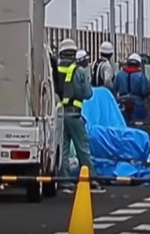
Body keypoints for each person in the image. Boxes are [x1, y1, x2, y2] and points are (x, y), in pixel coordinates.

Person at [53, 38, 97, 192]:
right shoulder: (78, 70)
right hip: (74, 114)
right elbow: (87, 93)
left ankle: (64, 182)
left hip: (58, 114)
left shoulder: (54, 69)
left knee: (63, 148)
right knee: (82, 148)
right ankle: (89, 180)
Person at [114, 53, 150, 127]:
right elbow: (145, 91)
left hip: (122, 104)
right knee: (138, 126)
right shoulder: (141, 76)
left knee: (122, 125)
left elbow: (114, 88)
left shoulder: (120, 74)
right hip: (137, 103)